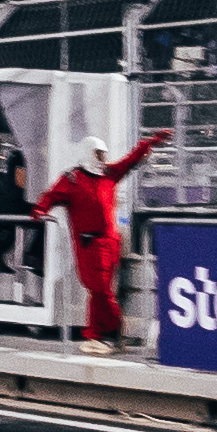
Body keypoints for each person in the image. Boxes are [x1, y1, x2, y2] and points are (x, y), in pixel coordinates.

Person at [33, 123, 173, 354]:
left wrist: (152, 142)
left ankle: (94, 334)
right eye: (99, 153)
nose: (102, 157)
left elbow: (130, 160)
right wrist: (40, 210)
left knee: (99, 291)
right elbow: (51, 196)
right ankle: (117, 328)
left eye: (104, 153)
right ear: (89, 152)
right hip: (89, 243)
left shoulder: (108, 174)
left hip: (110, 242)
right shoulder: (73, 179)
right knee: (100, 290)